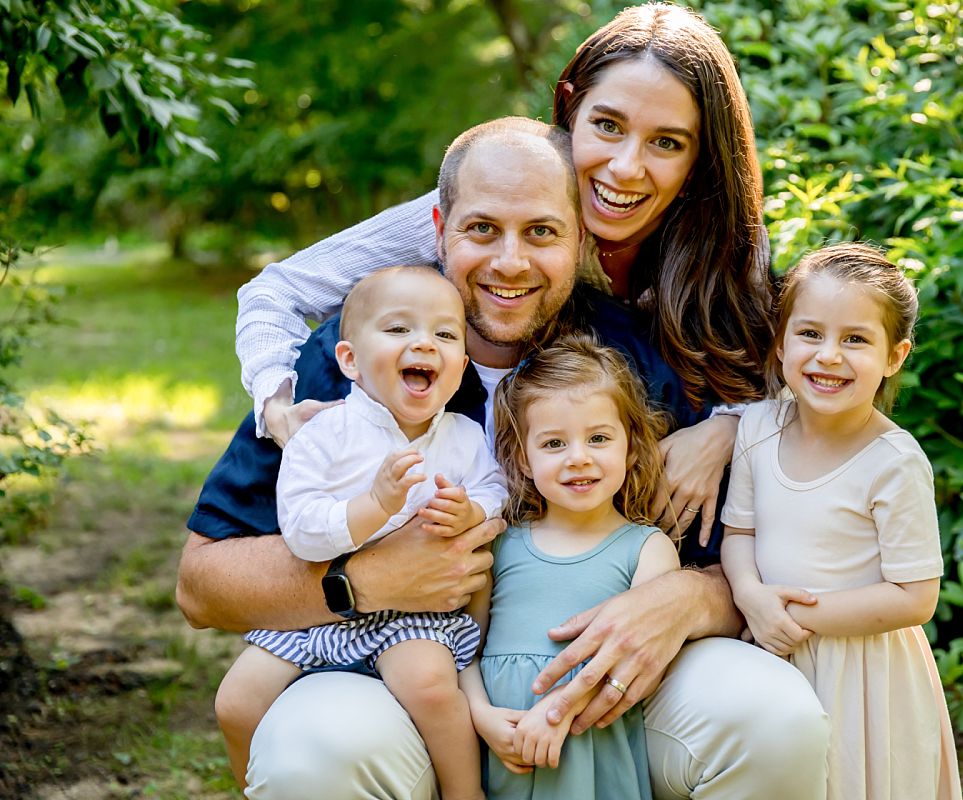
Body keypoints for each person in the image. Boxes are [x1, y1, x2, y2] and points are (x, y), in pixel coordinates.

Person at [179, 116, 830, 800]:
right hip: (396, 680)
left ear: (582, 238)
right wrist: (361, 581)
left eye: (542, 232)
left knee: (771, 716)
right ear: (439, 228)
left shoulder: (634, 360)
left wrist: (688, 599)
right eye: (482, 229)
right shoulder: (357, 363)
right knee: (314, 750)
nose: (510, 262)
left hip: (600, 692)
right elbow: (201, 585)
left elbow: (748, 559)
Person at [236, 3, 773, 547]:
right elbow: (277, 289)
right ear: (569, 108)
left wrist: (726, 429)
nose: (626, 167)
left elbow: (787, 365)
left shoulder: (725, 237)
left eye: (666, 142)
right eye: (607, 125)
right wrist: (277, 405)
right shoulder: (491, 205)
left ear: (698, 160)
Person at [214, 267, 504, 798]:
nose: (424, 343)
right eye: (399, 329)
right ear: (349, 359)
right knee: (236, 700)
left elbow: (494, 489)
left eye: (444, 334)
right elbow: (300, 530)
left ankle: (466, 793)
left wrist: (472, 512)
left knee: (431, 687)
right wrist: (374, 506)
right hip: (316, 611)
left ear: (461, 367)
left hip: (414, 612)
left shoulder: (463, 437)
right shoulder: (321, 433)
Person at [720, 242, 962, 800]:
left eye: (855, 339)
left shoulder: (894, 463)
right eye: (810, 334)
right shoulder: (758, 427)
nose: (829, 355)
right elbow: (740, 533)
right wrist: (753, 596)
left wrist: (796, 617)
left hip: (865, 675)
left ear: (895, 357)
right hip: (771, 650)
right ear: (780, 343)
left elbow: (914, 597)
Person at [461, 334, 680, 799]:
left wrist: (558, 711)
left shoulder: (647, 549)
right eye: (554, 443)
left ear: (632, 447)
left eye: (598, 438)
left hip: (590, 753)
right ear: (524, 457)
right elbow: (465, 650)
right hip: (505, 754)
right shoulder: (500, 544)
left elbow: (644, 665)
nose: (578, 457)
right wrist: (480, 715)